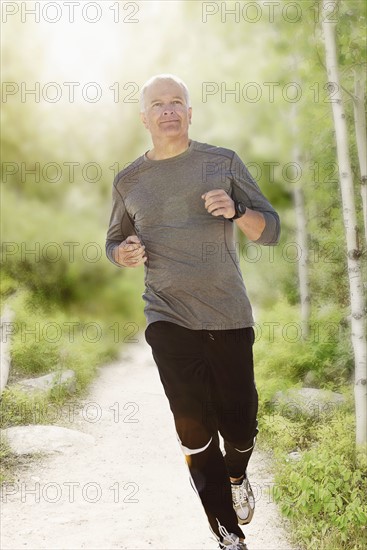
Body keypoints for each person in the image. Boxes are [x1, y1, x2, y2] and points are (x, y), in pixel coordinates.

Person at [105, 74, 280, 550]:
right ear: (144, 117)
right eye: (157, 104)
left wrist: (237, 210)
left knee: (240, 425)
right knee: (192, 426)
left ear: (189, 112)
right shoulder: (129, 180)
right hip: (167, 316)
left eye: (176, 102)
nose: (167, 110)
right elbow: (113, 240)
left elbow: (270, 231)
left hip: (227, 314)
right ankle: (227, 533)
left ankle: (237, 473)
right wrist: (122, 253)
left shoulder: (221, 163)